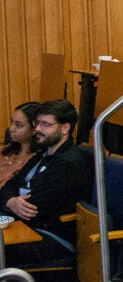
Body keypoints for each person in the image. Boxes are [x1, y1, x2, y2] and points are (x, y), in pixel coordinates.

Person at [0, 99, 92, 266]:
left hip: (51, 237)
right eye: (37, 124)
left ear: (65, 128)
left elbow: (33, 209)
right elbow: (8, 187)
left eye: (46, 125)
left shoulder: (67, 164)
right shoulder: (42, 154)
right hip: (27, 226)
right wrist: (10, 201)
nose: (38, 130)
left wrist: (9, 202)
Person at [0, 102, 40, 189]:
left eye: (18, 125)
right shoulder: (5, 150)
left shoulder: (36, 160)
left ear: (34, 129)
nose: (11, 129)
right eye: (12, 123)